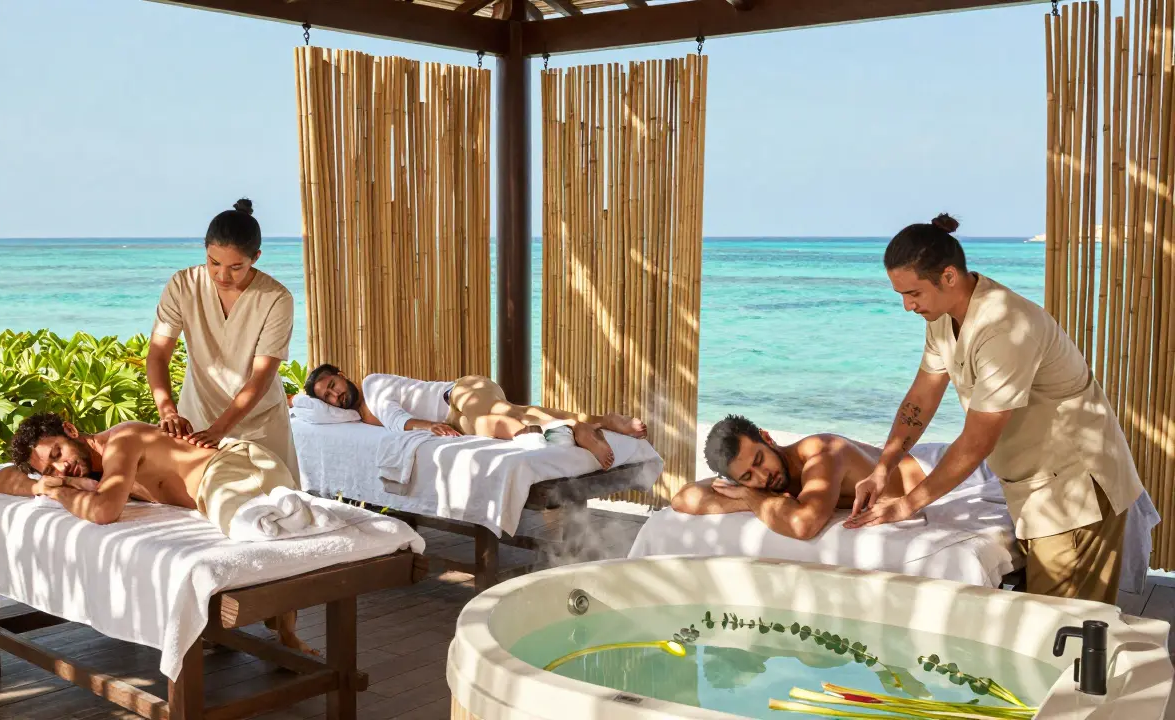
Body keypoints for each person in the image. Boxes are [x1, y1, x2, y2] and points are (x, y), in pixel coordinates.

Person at [842, 213, 1147, 604]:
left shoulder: (1004, 327)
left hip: (1074, 488)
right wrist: (882, 468)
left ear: (949, 276)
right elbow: (921, 396)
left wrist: (907, 505)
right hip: (1031, 486)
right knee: (1047, 623)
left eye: (913, 293)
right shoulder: (942, 316)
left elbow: (976, 442)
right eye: (901, 294)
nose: (906, 306)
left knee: (1062, 628)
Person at [0, 412, 313, 653]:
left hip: (235, 470)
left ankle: (286, 628)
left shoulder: (121, 441)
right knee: (254, 526)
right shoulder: (94, 470)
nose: (62, 468)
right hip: (217, 487)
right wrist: (37, 485)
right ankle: (279, 624)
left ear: (71, 430)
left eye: (58, 454)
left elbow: (104, 511)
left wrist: (56, 491)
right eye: (50, 469)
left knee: (260, 527)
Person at [146, 198, 299, 482]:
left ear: (256, 257)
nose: (222, 275)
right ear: (205, 250)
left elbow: (262, 376)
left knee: (276, 502)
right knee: (201, 504)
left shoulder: (276, 299)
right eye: (213, 262)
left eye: (236, 267)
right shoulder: (183, 285)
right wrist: (167, 410)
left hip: (260, 424)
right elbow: (157, 355)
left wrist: (220, 430)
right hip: (197, 417)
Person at [670, 414, 978, 540]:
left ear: (767, 437)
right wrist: (755, 497)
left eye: (760, 460)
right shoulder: (761, 482)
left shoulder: (821, 453)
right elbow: (683, 498)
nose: (764, 476)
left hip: (945, 472)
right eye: (748, 477)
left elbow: (803, 524)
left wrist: (752, 497)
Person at [302, 365, 647, 469]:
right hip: (457, 418)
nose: (335, 396)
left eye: (333, 385)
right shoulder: (353, 416)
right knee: (514, 417)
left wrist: (424, 426)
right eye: (327, 397)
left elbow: (393, 417)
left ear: (343, 375)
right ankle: (601, 420)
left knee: (500, 420)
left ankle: (577, 430)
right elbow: (303, 411)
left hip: (461, 392)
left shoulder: (373, 385)